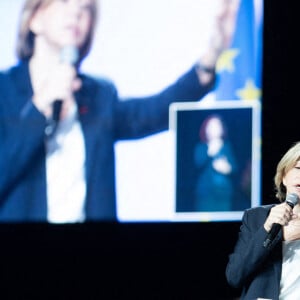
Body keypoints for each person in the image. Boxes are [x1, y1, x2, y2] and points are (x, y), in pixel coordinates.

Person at [0, 0, 240, 223]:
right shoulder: (5, 91)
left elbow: (153, 112)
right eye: (64, 2)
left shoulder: (98, 95)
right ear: (34, 19)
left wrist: (211, 56)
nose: (76, 12)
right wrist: (39, 108)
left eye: (85, 8)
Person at [226, 141, 300, 299]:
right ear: (283, 177)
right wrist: (269, 231)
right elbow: (235, 276)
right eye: (298, 168)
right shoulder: (256, 218)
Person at [193, 114, 237, 211]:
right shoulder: (200, 147)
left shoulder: (227, 146)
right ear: (206, 129)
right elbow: (197, 165)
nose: (214, 129)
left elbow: (234, 168)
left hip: (223, 193)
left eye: (217, 126)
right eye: (211, 126)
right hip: (205, 193)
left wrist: (227, 168)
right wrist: (210, 152)